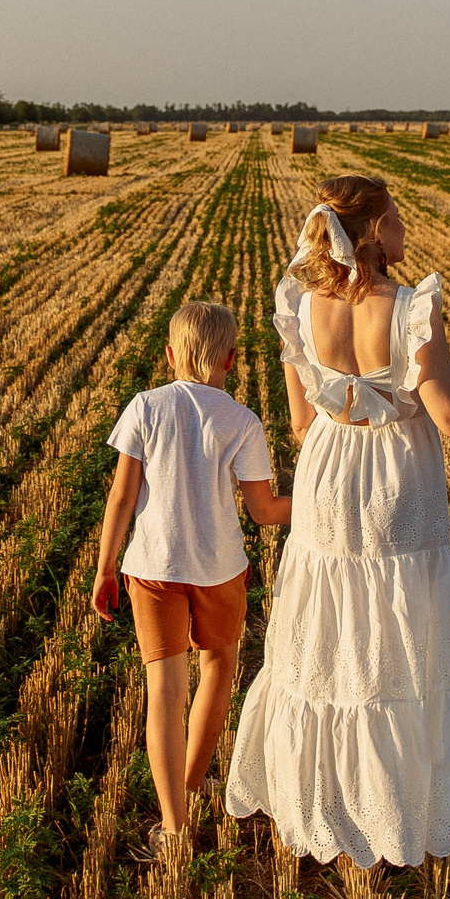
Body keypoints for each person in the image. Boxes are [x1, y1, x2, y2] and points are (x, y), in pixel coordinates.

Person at [225, 176, 450, 868]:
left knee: (325, 642)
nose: (405, 228)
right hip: (394, 481)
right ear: (373, 229)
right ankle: (382, 816)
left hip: (326, 474)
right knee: (393, 649)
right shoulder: (408, 309)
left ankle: (319, 805)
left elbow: (299, 421)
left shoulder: (300, 302)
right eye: (397, 217)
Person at [90, 301, 294, 847]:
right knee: (220, 666)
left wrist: (105, 568)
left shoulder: (146, 407)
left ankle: (175, 825)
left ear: (170, 355)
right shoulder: (242, 421)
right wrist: (326, 498)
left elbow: (121, 496)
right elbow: (264, 511)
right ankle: (192, 782)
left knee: (164, 691)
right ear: (232, 358)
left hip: (152, 569)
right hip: (220, 569)